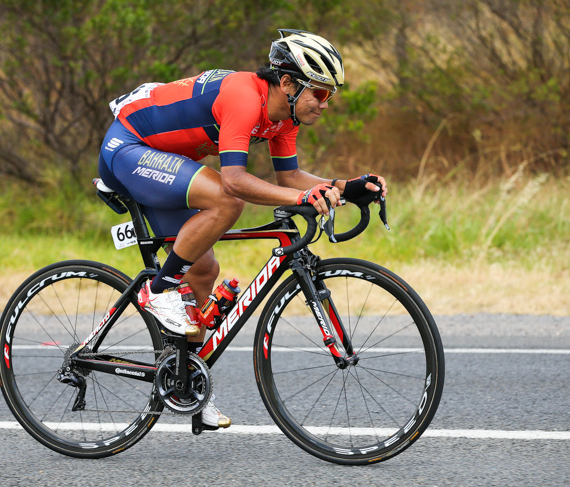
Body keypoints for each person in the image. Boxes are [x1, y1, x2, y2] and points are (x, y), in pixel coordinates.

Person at [98, 29, 387, 429]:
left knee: (202, 271)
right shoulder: (243, 96)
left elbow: (289, 178)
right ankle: (158, 290)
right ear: (287, 83)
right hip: (130, 149)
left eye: (330, 95)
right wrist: (301, 200)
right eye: (319, 93)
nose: (324, 104)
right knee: (226, 199)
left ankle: (185, 384)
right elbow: (234, 181)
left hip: (166, 162)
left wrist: (348, 188)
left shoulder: (283, 116)